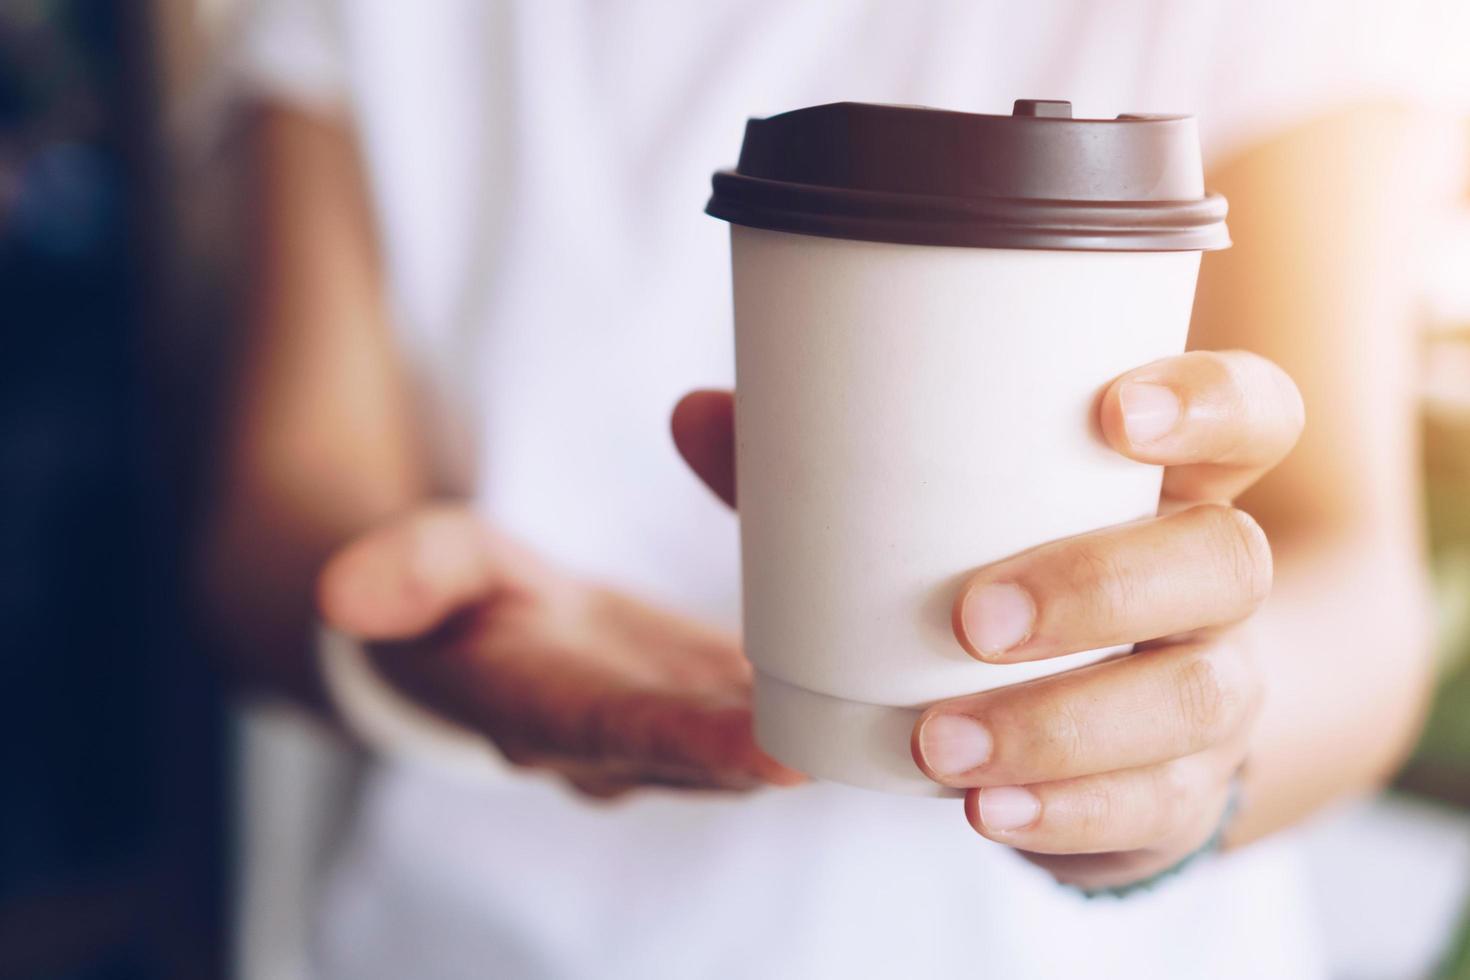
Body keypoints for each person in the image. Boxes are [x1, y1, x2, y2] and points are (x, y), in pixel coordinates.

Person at [207, 2, 1470, 976]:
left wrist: (1184, 760)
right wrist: (435, 639)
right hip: (482, 934)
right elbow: (283, 511)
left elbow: (1345, 578)